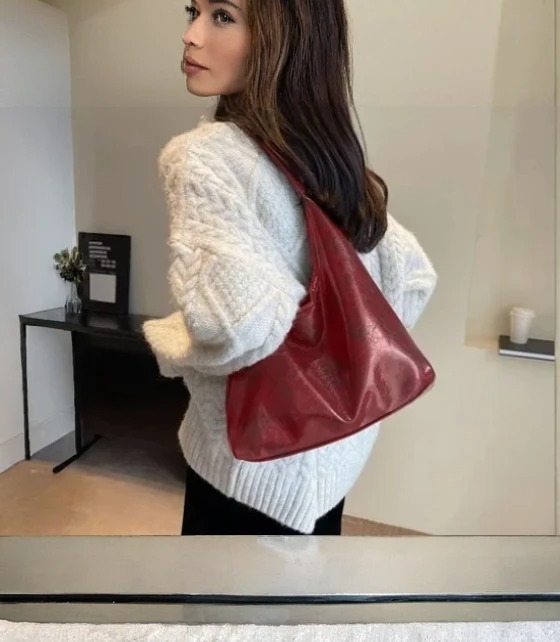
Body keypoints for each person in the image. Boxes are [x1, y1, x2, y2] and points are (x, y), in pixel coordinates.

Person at [143, 0, 438, 536]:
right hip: (334, 460)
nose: (190, 35)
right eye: (192, 11)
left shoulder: (202, 156)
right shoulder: (331, 160)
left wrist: (169, 342)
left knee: (212, 594)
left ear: (284, 38)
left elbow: (234, 326)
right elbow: (413, 277)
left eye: (222, 16)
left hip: (249, 470)